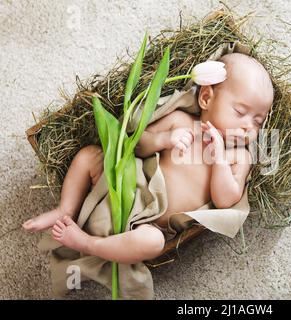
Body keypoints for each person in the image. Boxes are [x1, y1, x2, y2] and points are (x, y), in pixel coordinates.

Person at [23, 53, 274, 264]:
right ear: (206, 98)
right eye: (240, 112)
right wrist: (165, 139)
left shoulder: (238, 156)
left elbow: (226, 200)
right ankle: (65, 208)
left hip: (153, 224)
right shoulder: (181, 121)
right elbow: (138, 145)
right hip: (128, 183)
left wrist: (219, 158)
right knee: (90, 156)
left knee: (153, 244)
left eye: (257, 121)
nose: (247, 128)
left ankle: (88, 243)